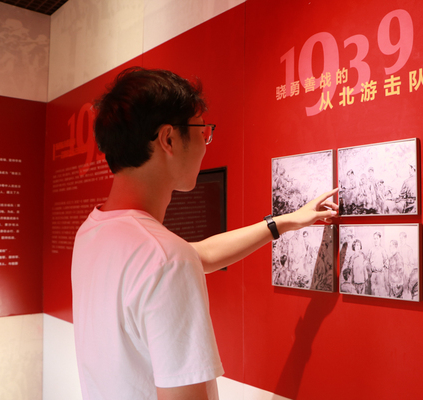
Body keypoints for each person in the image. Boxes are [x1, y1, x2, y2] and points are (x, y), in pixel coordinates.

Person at [71, 67, 338, 400]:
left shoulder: (93, 232)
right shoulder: (166, 259)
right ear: (169, 139)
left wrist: (284, 222)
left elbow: (201, 255)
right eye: (202, 129)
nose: (206, 142)